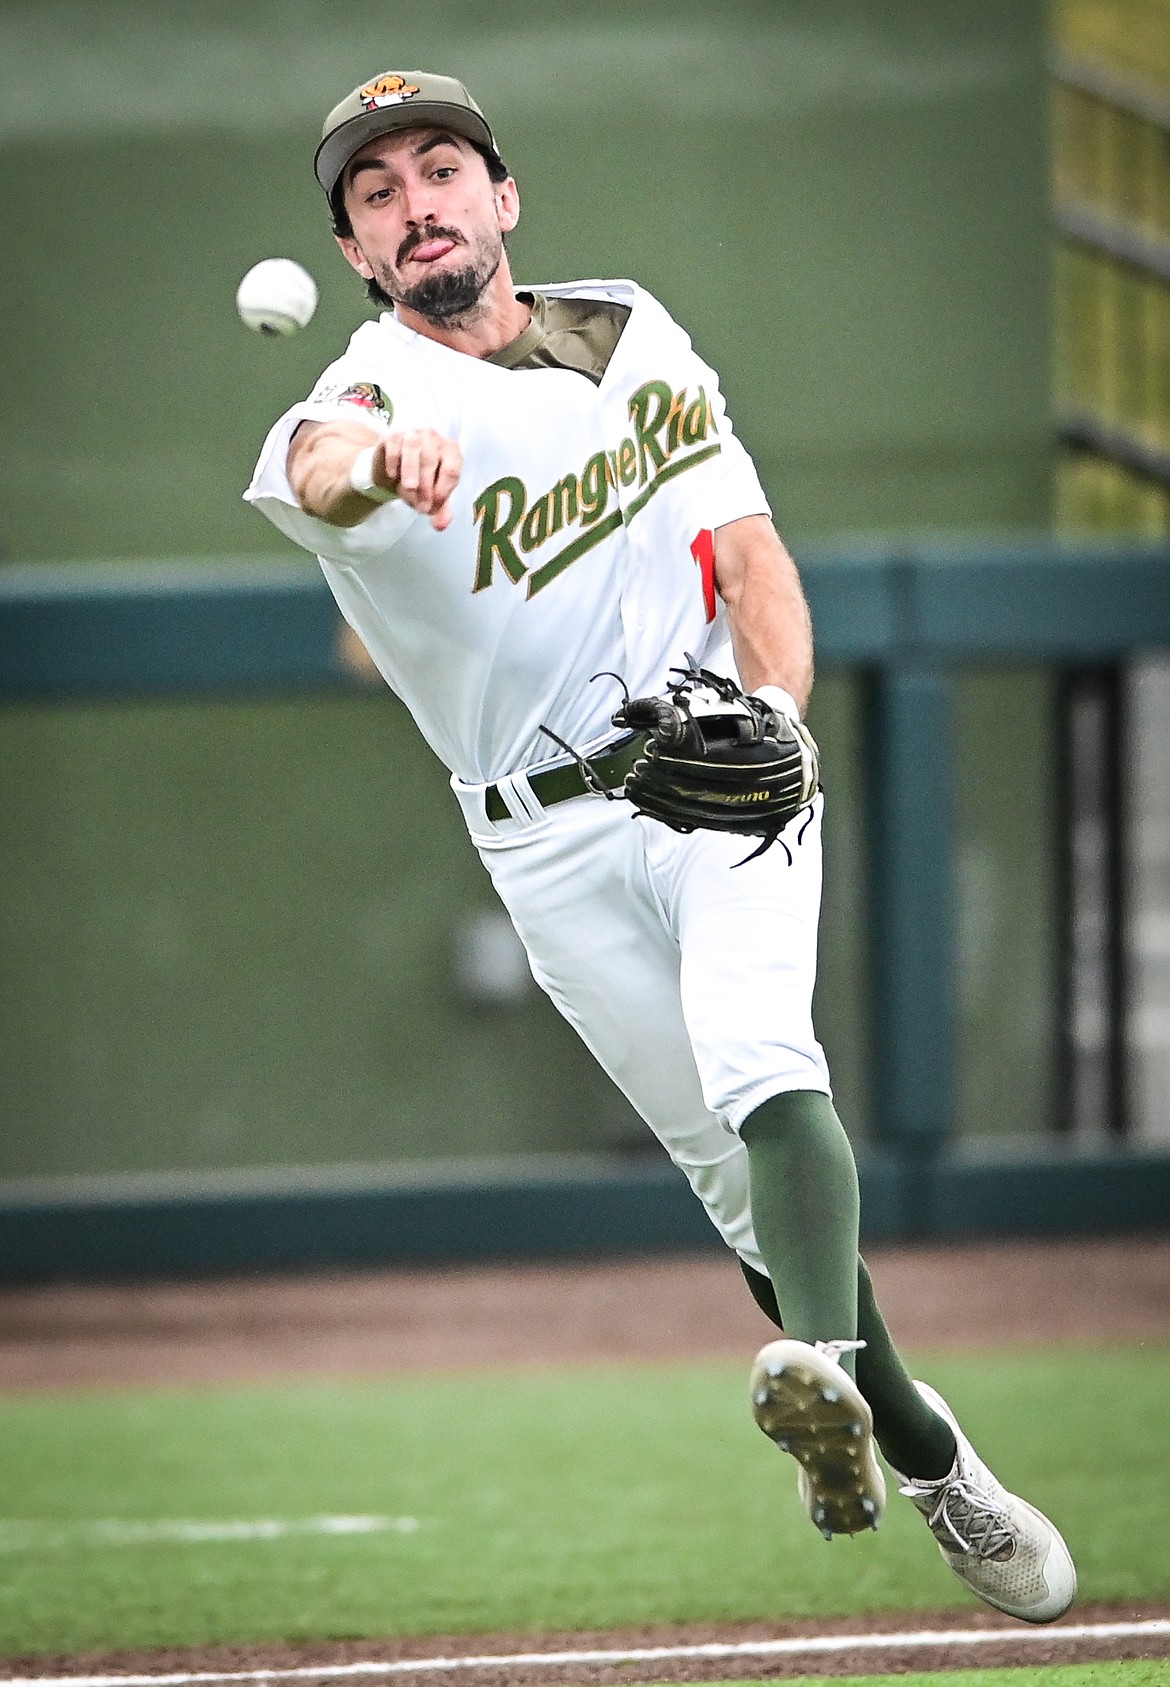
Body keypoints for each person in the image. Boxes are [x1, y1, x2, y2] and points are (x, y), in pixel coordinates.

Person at [245, 69, 1076, 1624]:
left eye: (441, 169)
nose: (414, 200)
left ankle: (822, 1380)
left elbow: (747, 551)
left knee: (766, 1061)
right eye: (375, 192)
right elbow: (316, 465)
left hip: (717, 759)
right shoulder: (359, 394)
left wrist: (779, 709)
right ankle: (920, 1448)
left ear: (504, 200)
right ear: (359, 254)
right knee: (740, 1198)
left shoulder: (627, 329)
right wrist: (380, 465)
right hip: (538, 847)